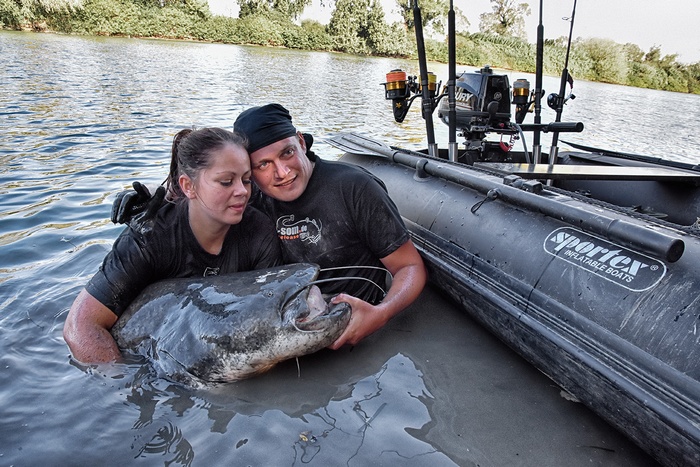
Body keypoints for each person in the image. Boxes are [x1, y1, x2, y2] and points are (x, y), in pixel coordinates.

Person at [63, 127, 282, 363]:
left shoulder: (259, 232)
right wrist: (116, 386)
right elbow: (80, 326)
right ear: (188, 186)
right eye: (226, 182)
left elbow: (271, 308)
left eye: (246, 180)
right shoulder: (150, 235)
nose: (242, 191)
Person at [233, 104, 427, 349]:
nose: (282, 172)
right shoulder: (250, 202)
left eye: (287, 153)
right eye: (263, 165)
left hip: (351, 329)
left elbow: (409, 266)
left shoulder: (355, 188)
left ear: (302, 143)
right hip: (287, 329)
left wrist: (382, 313)